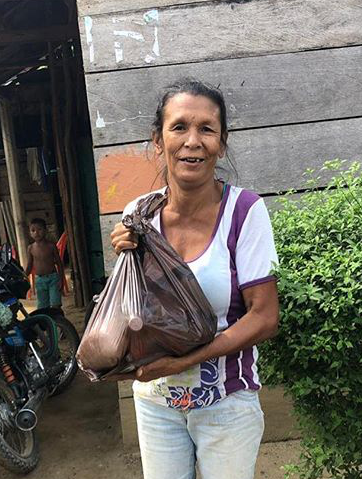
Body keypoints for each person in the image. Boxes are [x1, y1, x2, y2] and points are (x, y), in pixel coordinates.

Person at [110, 79, 280, 479]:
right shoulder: (139, 213)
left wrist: (186, 361)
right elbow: (133, 307)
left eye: (207, 129)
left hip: (226, 401)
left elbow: (264, 317)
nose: (193, 141)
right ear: (158, 140)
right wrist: (126, 254)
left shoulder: (244, 211)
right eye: (179, 127)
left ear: (222, 143)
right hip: (155, 402)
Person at [25, 218, 64, 310]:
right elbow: (29, 265)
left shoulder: (51, 246)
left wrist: (61, 279)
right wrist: (24, 276)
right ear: (30, 233)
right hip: (40, 280)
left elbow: (59, 263)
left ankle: (58, 318)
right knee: (43, 306)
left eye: (39, 229)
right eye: (33, 230)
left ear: (46, 231)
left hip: (53, 278)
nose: (36, 233)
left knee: (56, 304)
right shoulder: (30, 248)